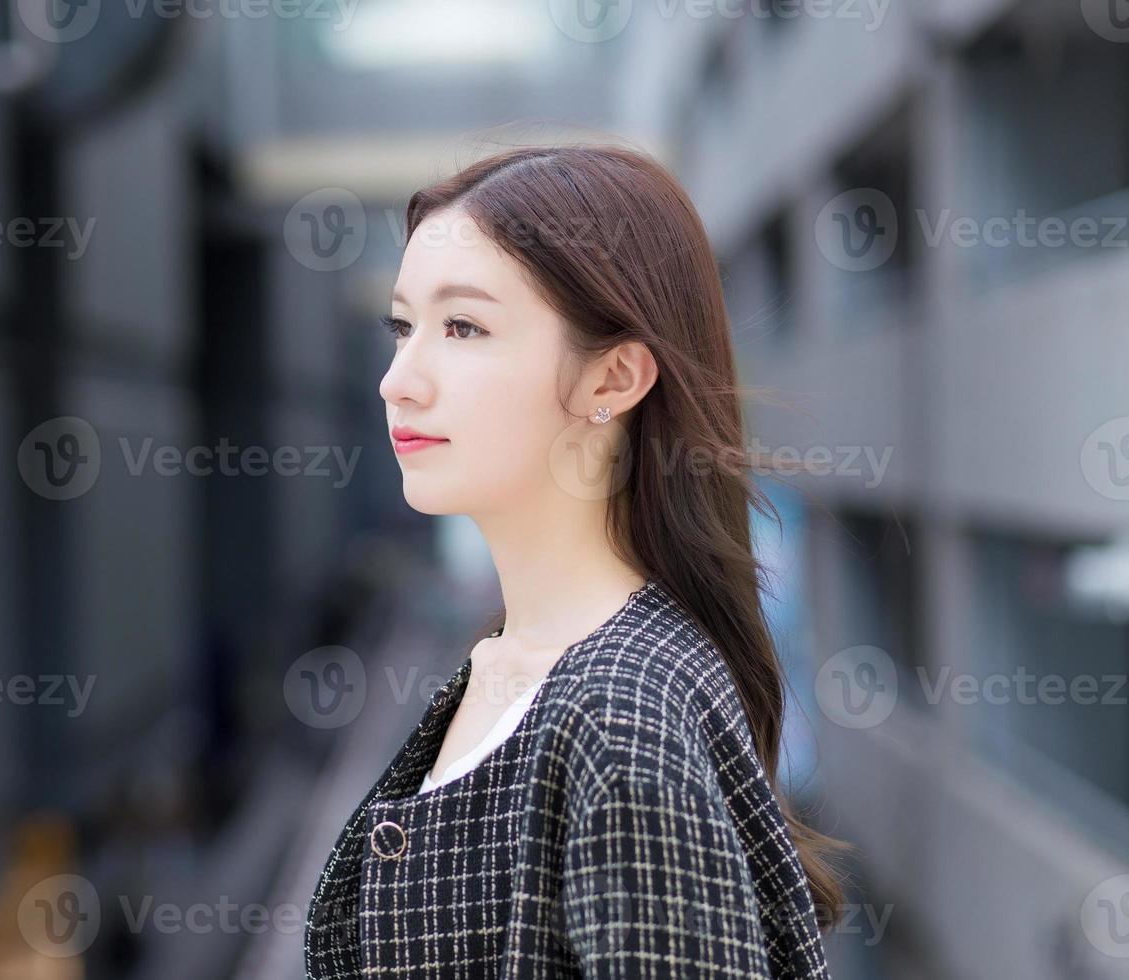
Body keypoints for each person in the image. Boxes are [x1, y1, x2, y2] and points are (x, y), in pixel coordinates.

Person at [304, 143, 849, 979]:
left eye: (463, 327)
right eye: (402, 327)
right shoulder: (517, 658)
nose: (398, 380)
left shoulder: (623, 724)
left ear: (615, 378)